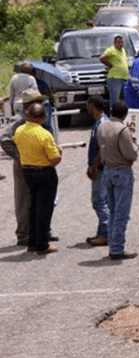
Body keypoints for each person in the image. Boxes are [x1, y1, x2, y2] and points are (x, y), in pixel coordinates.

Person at [1, 89, 47, 246]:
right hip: (24, 164)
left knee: (37, 198)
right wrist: (18, 156)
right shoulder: (20, 119)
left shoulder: (31, 118)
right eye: (38, 101)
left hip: (36, 162)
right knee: (23, 199)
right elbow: (3, 138)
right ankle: (23, 234)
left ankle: (37, 231)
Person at [14, 102, 61, 254]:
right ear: (41, 118)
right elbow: (54, 159)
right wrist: (59, 151)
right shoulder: (44, 134)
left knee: (33, 207)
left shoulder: (19, 131)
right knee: (44, 209)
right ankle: (42, 244)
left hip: (27, 171)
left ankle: (32, 242)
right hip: (44, 172)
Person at [96, 100, 139, 260]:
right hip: (121, 171)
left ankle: (113, 245)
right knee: (121, 213)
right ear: (125, 114)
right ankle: (117, 249)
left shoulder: (102, 126)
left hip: (107, 170)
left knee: (113, 210)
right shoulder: (122, 130)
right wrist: (135, 147)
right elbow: (130, 154)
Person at [85, 97, 109, 247]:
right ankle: (101, 232)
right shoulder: (100, 123)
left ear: (92, 106)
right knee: (103, 201)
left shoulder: (102, 124)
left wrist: (93, 165)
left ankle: (106, 233)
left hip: (101, 168)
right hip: (99, 166)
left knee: (99, 201)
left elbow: (102, 148)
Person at [99, 35, 129, 109]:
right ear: (114, 42)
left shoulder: (123, 50)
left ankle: (121, 117)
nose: (121, 44)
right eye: (119, 42)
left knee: (123, 101)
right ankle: (113, 117)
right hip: (114, 78)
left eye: (122, 42)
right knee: (115, 101)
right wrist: (109, 65)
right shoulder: (111, 49)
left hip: (123, 78)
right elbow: (102, 57)